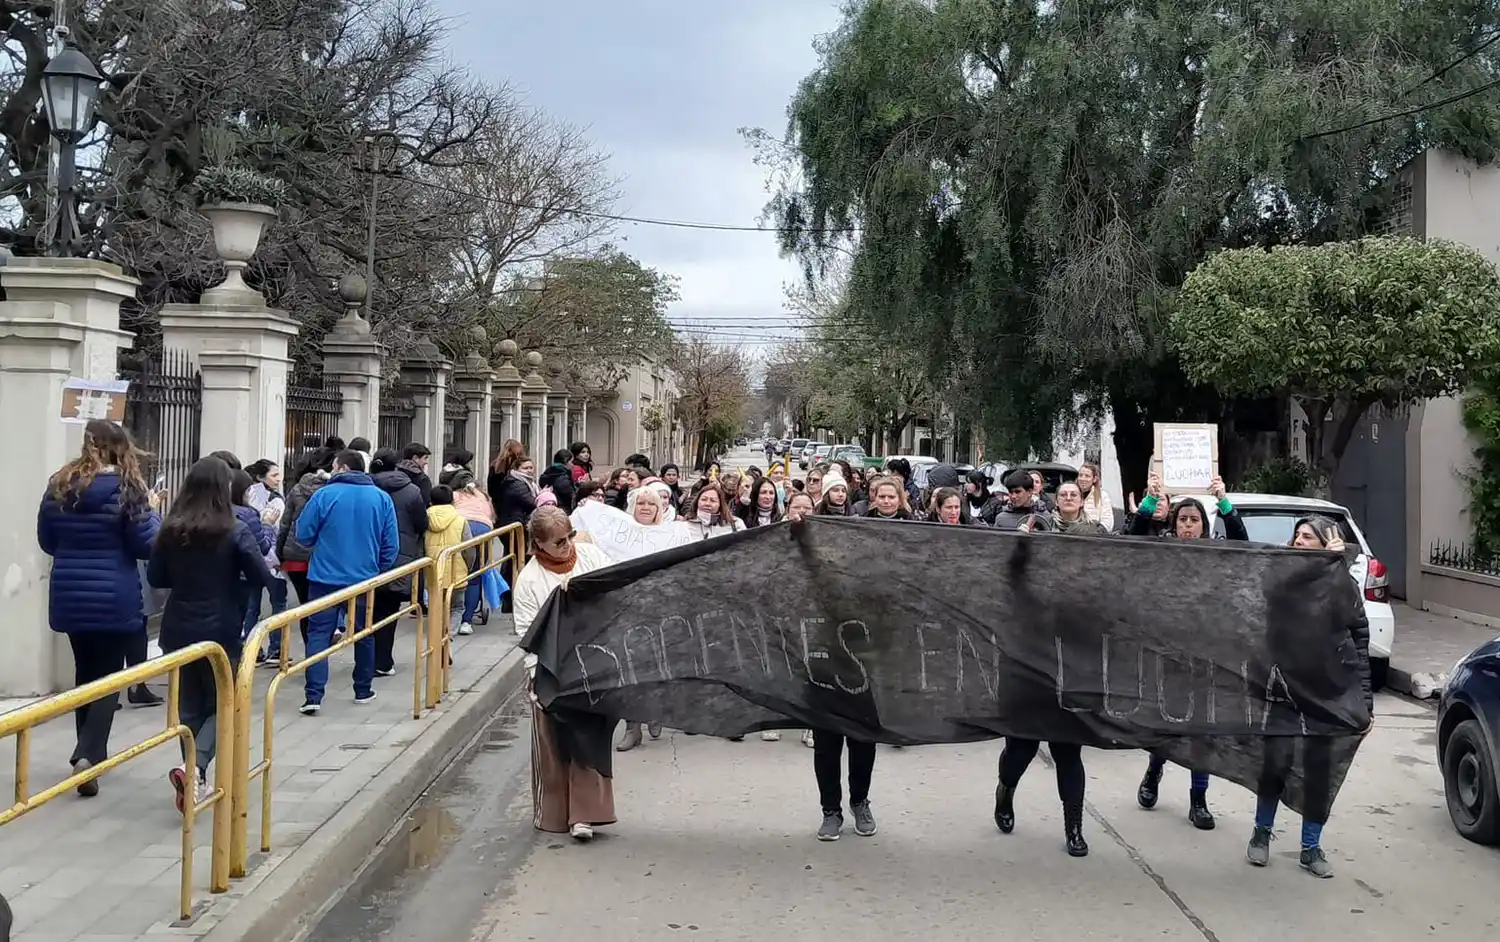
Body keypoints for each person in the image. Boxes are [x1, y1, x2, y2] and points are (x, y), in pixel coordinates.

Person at [37, 419, 162, 795]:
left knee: (85, 673)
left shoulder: (60, 483)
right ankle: (88, 754)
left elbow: (47, 540)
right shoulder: (129, 488)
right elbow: (146, 544)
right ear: (122, 448)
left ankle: (88, 754)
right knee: (109, 678)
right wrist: (154, 511)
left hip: (70, 590)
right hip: (114, 593)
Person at [1245, 516, 1372, 878]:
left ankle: (1310, 847)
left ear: (1325, 544)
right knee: (1275, 764)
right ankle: (1261, 833)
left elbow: (1358, 636)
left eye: (1308, 537)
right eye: (1297, 535)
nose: (1299, 541)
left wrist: (1338, 567)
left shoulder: (1342, 583)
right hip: (1284, 688)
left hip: (1327, 692)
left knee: (1319, 770)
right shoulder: (1283, 577)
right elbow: (1266, 605)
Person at [149, 456, 275, 810]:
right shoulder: (234, 529)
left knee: (189, 705)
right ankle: (197, 767)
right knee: (227, 701)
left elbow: (156, 577)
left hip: (178, 626)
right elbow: (260, 574)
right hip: (221, 627)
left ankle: (193, 775)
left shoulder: (171, 528)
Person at [1131, 473, 1247, 829]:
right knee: (1166, 723)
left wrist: (1224, 502)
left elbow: (1243, 545)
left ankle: (1199, 799)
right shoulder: (1162, 551)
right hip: (1167, 654)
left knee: (1203, 730)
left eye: (1194, 520)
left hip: (1207, 657)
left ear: (1203, 526)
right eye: (1182, 519)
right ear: (1174, 523)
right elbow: (1132, 541)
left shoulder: (1217, 555)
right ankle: (1154, 771)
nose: (1188, 525)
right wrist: (1149, 501)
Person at [513, 506, 618, 841]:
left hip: (593, 664)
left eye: (570, 536)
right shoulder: (529, 580)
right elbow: (527, 633)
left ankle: (585, 815)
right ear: (539, 544)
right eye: (558, 542)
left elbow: (615, 595)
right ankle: (557, 814)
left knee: (590, 739)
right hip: (552, 671)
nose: (567, 545)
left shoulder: (592, 557)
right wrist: (536, 679)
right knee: (554, 743)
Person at [292, 450, 399, 714]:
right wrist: (377, 568)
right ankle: (363, 689)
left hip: (324, 578)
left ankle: (313, 696)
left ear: (343, 468)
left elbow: (302, 534)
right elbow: (391, 545)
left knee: (319, 634)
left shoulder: (324, 495)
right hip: (364, 578)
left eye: (334, 466)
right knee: (364, 633)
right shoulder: (381, 498)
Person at [368, 449, 428, 675]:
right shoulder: (411, 490)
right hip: (400, 555)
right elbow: (422, 523)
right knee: (388, 610)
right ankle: (383, 661)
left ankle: (366, 660)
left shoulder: (367, 488)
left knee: (365, 610)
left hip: (368, 555)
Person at [275, 446, 335, 659]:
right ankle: (321, 649)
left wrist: (280, 552)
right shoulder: (333, 490)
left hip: (296, 556)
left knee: (306, 606)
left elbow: (285, 524)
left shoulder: (297, 489)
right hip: (324, 556)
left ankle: (312, 652)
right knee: (326, 606)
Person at [451, 469, 497, 634]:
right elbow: (492, 517)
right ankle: (466, 621)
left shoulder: (454, 495)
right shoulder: (483, 496)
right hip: (483, 529)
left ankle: (452, 615)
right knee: (475, 576)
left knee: (455, 573)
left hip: (460, 528)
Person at [425, 485, 470, 619]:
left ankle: (437, 630)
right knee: (457, 607)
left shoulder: (425, 520)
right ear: (452, 501)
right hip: (457, 572)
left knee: (435, 606)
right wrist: (468, 567)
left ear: (431, 502)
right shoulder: (461, 521)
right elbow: (469, 549)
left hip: (432, 572)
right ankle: (451, 630)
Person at [1076, 462, 1114, 531]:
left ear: (1094, 479)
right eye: (1080, 475)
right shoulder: (1071, 494)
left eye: (1087, 476)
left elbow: (1107, 522)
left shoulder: (1102, 496)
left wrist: (1095, 531)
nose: (1083, 479)